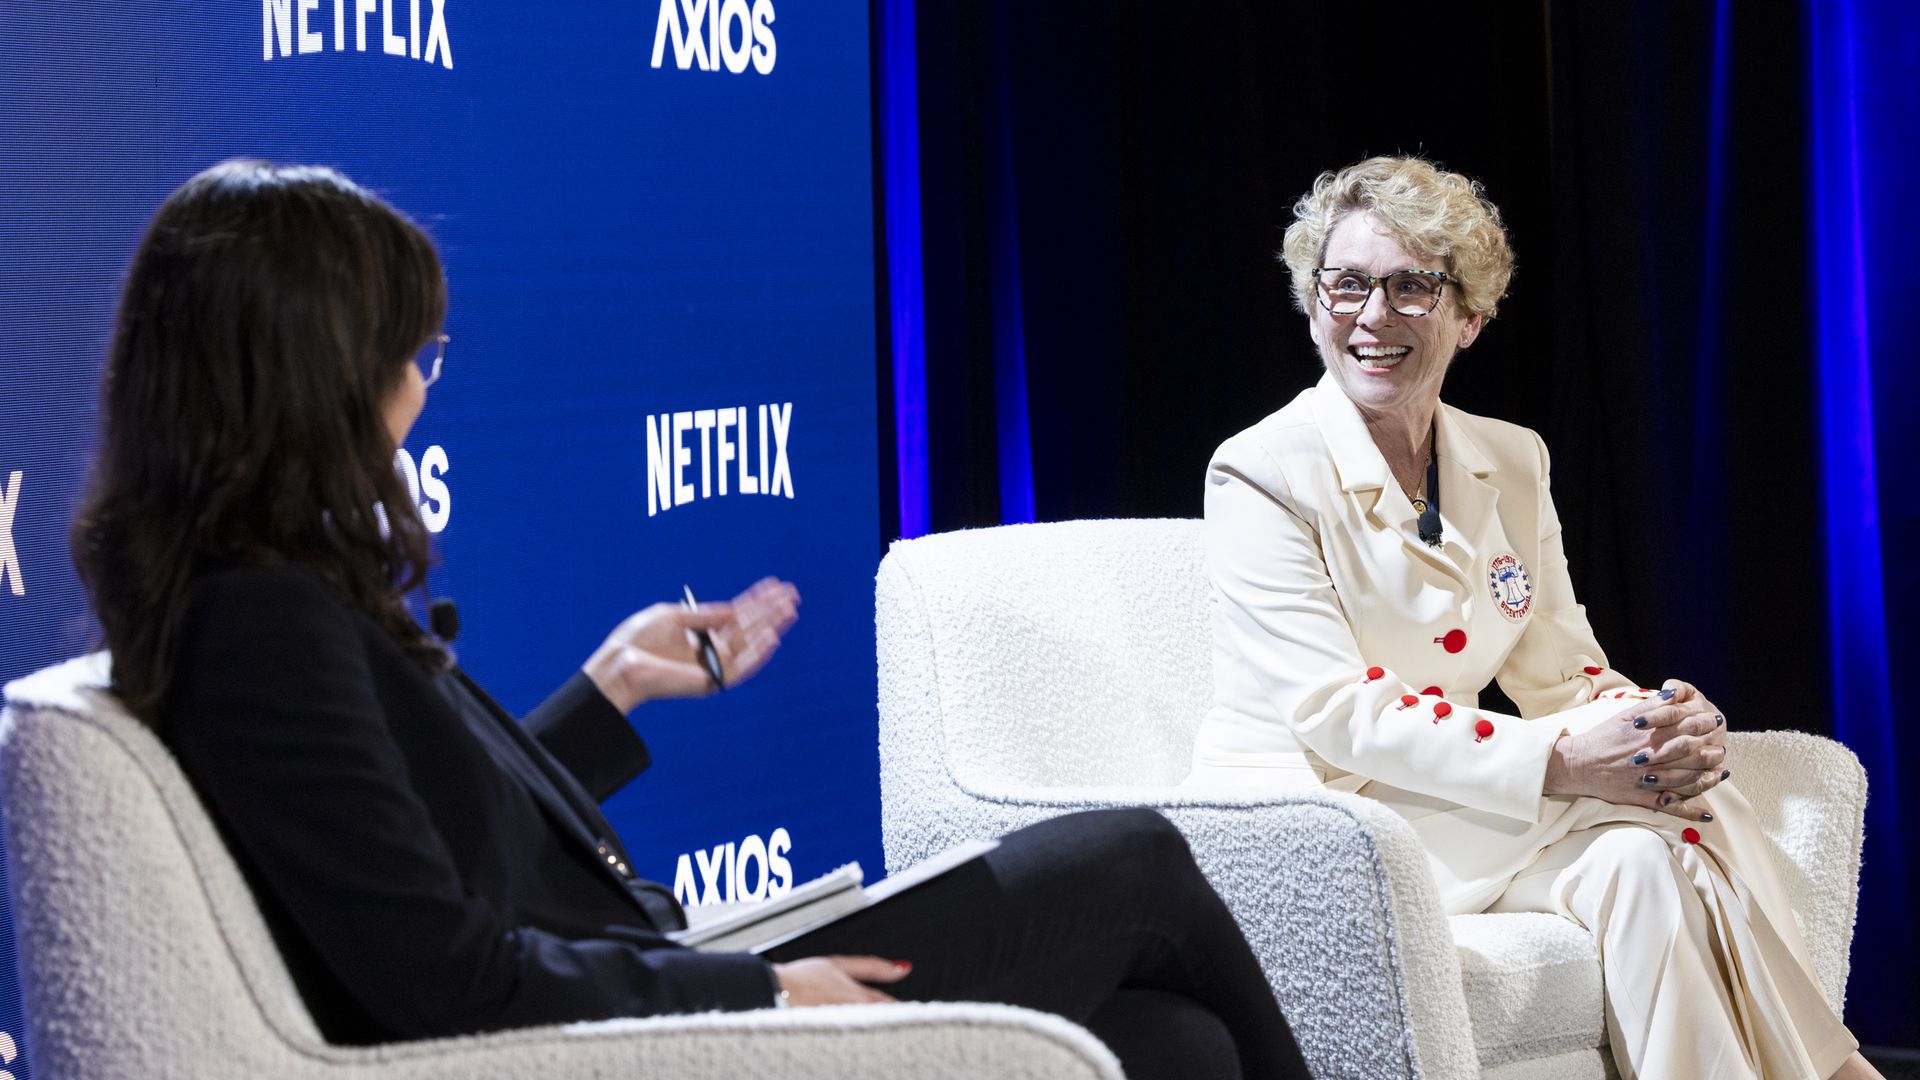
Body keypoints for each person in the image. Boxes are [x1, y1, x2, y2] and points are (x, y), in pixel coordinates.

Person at [70, 160, 1309, 1080]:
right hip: (642, 1030)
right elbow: (443, 972)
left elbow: (431, 840)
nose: (419, 392)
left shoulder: (262, 588)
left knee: (1172, 1045)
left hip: (641, 991)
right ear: (311, 364)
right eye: (415, 354)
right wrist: (762, 992)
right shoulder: (263, 624)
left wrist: (607, 694)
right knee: (1132, 860)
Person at [1189, 155, 1879, 1080]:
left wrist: (1655, 724)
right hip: (1320, 818)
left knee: (1647, 863)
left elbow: (1565, 674)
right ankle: (1841, 1071)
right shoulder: (1261, 469)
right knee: (1683, 806)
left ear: (1469, 317)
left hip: (1450, 803)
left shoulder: (1511, 459)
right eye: (1346, 284)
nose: (1372, 315)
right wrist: (1562, 759)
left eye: (1411, 287)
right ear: (1314, 303)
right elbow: (1335, 712)